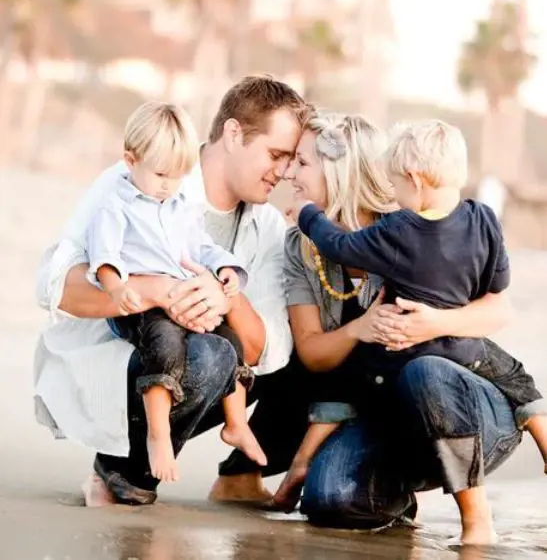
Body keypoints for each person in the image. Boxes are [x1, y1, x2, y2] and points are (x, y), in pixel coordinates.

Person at [271, 112, 545, 545]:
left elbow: (499, 308)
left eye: (301, 163)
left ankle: (477, 517)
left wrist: (435, 322)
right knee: (330, 499)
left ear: (339, 171)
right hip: (382, 401)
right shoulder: (302, 250)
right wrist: (360, 327)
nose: (289, 173)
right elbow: (318, 356)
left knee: (427, 370)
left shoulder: (407, 224)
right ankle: (397, 492)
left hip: (462, 399)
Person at [34, 75, 307, 506]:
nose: (285, 171)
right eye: (276, 154)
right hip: (124, 357)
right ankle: (121, 468)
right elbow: (55, 287)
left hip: (205, 365)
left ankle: (133, 474)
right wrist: (154, 290)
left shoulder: (268, 228)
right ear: (234, 134)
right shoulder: (138, 178)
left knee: (241, 353)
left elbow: (262, 349)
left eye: (291, 160)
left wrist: (226, 297)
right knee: (208, 353)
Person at [86, 101, 268, 483]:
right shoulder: (115, 204)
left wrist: (227, 270)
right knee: (166, 344)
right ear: (130, 160)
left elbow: (200, 247)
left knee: (230, 341)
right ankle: (158, 432)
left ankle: (236, 425)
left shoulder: (179, 203)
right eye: (161, 174)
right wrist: (117, 286)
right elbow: (103, 254)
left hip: (176, 299)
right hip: (138, 306)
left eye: (180, 175)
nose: (169, 184)